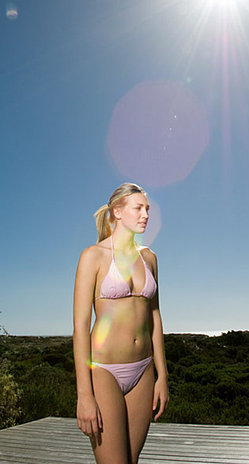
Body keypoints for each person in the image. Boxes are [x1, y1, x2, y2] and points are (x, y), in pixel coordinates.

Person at [73, 182, 169, 464]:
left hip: (143, 370)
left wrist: (162, 375)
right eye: (138, 208)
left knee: (131, 461)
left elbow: (155, 318)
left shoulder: (149, 258)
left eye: (148, 209)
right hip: (104, 371)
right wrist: (84, 395)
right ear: (117, 211)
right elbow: (80, 326)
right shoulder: (92, 256)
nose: (146, 215)